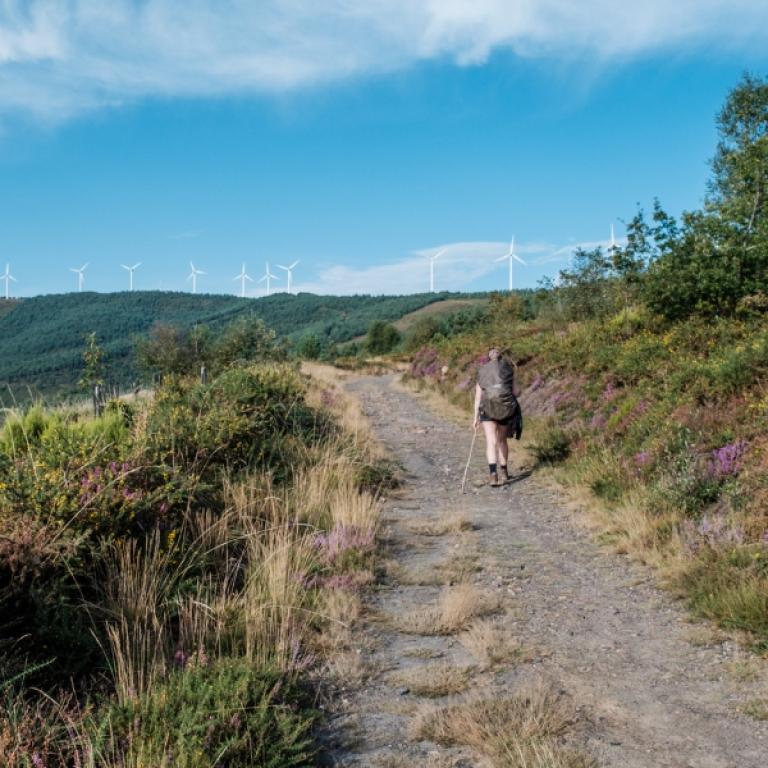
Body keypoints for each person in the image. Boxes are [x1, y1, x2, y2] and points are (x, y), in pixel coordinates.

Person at [473, 346, 519, 487]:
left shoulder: (482, 371)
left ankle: (493, 475)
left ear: (488, 357)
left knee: (490, 442)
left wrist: (475, 417)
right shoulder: (507, 370)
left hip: (487, 409)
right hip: (504, 409)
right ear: (500, 357)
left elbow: (478, 397)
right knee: (502, 440)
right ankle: (504, 471)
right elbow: (516, 391)